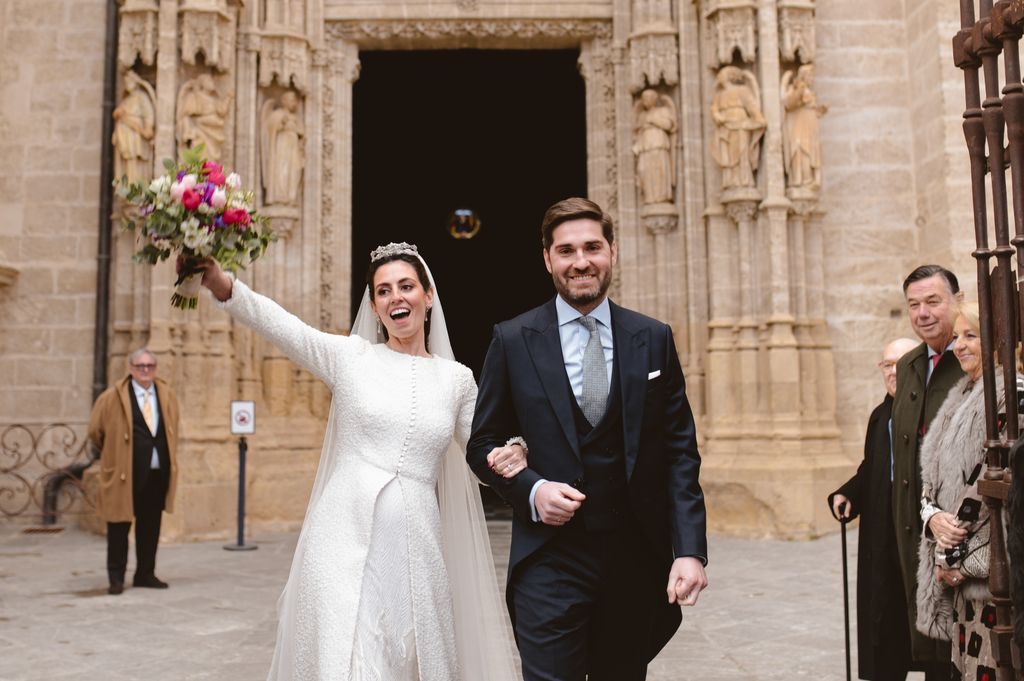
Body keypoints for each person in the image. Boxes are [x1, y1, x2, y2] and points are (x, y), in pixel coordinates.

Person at [193, 243, 523, 680]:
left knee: (410, 661)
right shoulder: (352, 357)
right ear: (373, 305)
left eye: (406, 286)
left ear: (428, 296)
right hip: (340, 543)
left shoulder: (457, 380)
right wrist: (223, 285)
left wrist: (514, 450)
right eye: (383, 291)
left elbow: (482, 454)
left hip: (416, 549)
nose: (395, 298)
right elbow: (284, 328)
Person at [467, 197, 708, 681]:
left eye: (592, 247)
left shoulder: (653, 336)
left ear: (612, 252)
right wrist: (533, 490)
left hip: (634, 558)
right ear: (547, 259)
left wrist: (689, 549)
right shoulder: (513, 340)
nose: (581, 262)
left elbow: (680, 450)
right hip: (549, 560)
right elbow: (482, 444)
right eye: (566, 250)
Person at [916, 302, 1008, 678]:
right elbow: (930, 473)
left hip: (985, 571)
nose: (959, 345)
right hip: (956, 571)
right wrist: (931, 516)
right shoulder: (961, 394)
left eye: (971, 335)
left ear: (998, 340)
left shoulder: (1009, 392)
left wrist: (949, 557)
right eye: (956, 337)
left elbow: (991, 478)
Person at [828, 337, 919, 680]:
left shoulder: (931, 411)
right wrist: (849, 493)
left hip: (920, 541)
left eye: (903, 362)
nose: (894, 371)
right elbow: (873, 468)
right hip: (883, 539)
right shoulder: (880, 417)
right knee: (885, 626)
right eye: (887, 364)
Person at [890, 265, 964, 678]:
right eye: (914, 305)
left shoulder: (972, 359)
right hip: (912, 527)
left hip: (956, 528)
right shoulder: (910, 364)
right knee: (929, 642)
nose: (923, 313)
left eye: (933, 301)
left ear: (957, 300)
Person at [88, 348, 180, 595]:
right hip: (124, 475)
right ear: (131, 369)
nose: (146, 370)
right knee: (118, 528)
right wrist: (114, 455)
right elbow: (96, 432)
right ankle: (116, 578)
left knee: (150, 527)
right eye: (141, 366)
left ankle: (145, 574)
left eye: (150, 366)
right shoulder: (111, 398)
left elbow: (173, 429)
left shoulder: (166, 395)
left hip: (156, 474)